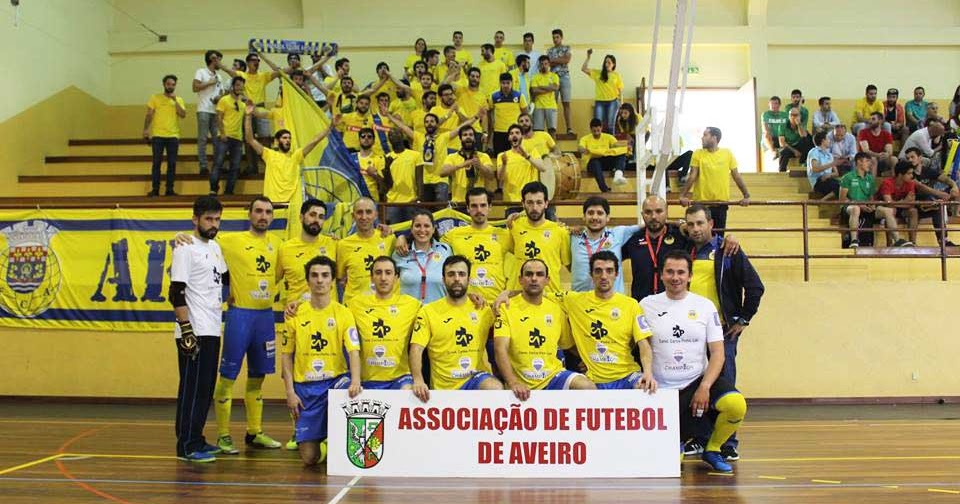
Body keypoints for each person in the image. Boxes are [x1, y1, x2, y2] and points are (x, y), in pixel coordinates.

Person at [641, 250, 747, 473]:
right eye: (670, 272)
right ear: (661, 274)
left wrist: (705, 386)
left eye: (681, 272)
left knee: (736, 405)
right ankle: (678, 441)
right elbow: (642, 346)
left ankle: (713, 449)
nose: (675, 277)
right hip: (662, 390)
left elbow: (718, 353)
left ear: (690, 275)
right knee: (672, 464)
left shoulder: (705, 306)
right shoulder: (646, 305)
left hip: (696, 382)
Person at [498, 251, 656, 391]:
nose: (603, 276)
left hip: (627, 375)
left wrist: (648, 373)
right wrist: (507, 293)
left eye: (609, 271)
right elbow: (535, 291)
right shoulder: (573, 300)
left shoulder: (631, 305)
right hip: (594, 379)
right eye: (598, 271)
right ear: (591, 274)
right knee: (585, 389)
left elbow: (644, 344)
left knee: (646, 388)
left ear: (617, 274)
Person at [681, 204, 763, 460]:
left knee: (724, 384)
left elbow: (755, 287)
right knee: (697, 385)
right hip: (691, 334)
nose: (695, 228)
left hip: (721, 333)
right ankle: (701, 438)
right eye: (690, 224)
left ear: (711, 224)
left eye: (700, 223)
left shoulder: (728, 250)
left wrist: (743, 318)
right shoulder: (684, 250)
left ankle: (728, 442)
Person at [208, 197, 283, 454]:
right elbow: (202, 243)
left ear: (272, 216)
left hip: (265, 318)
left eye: (268, 212)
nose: (263, 216)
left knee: (257, 377)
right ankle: (223, 435)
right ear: (249, 214)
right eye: (258, 211)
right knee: (228, 376)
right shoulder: (230, 241)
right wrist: (182, 237)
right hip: (240, 316)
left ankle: (254, 432)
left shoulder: (278, 244)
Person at [281, 256, 362, 466]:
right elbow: (286, 356)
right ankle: (324, 442)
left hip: (335, 382)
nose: (320, 280)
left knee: (349, 394)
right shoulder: (295, 314)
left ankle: (337, 441)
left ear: (332, 281)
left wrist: (355, 381)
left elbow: (353, 351)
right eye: (314, 275)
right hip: (306, 389)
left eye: (325, 275)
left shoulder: (343, 313)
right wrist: (290, 392)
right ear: (307, 280)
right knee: (310, 459)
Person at [169, 196, 227, 463]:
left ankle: (197, 437)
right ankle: (186, 445)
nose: (213, 224)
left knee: (205, 387)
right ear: (195, 219)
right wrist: (186, 329)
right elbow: (176, 292)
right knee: (192, 388)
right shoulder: (185, 248)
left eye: (217, 219)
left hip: (213, 327)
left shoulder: (215, 247)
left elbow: (224, 277)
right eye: (208, 219)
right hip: (194, 330)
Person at [494, 258, 596, 401]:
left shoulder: (556, 309)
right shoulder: (506, 308)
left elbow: (568, 344)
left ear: (547, 280)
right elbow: (500, 349)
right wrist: (513, 382)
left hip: (553, 376)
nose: (534, 278)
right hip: (522, 380)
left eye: (539, 274)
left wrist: (586, 360)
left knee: (586, 386)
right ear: (520, 280)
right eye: (529, 274)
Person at [410, 256, 503, 401]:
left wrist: (506, 294)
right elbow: (416, 349)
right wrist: (418, 380)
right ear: (443, 279)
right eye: (451, 274)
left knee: (494, 387)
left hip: (475, 379)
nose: (457, 279)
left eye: (461, 274)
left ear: (469, 279)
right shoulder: (428, 312)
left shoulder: (483, 309)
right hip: (443, 388)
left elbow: (524, 296)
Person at [622, 195, 741, 301]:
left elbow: (707, 237)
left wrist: (728, 238)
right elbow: (614, 252)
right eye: (648, 212)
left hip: (675, 305)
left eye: (659, 211)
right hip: (642, 305)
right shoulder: (632, 240)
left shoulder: (681, 235)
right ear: (642, 214)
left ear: (666, 212)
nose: (654, 216)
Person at [350, 256, 420, 390]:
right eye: (378, 273)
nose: (383, 278)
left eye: (388, 273)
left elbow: (437, 315)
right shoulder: (355, 304)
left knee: (407, 391)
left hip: (400, 377)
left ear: (396, 278)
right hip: (366, 379)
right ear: (371, 278)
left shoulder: (412, 305)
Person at [243, 104, 334, 203]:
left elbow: (314, 141)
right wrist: (248, 116)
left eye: (289, 138)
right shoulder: (269, 155)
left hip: (292, 204)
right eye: (285, 138)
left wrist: (330, 127)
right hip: (273, 203)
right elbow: (250, 139)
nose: (288, 140)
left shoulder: (296, 156)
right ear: (276, 141)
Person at [441, 188, 513, 303]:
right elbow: (431, 251)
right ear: (468, 208)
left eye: (483, 205)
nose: (479, 210)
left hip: (497, 302)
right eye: (474, 206)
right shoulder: (453, 235)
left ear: (490, 207)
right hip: (466, 303)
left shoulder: (504, 235)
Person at [679, 127, 751, 235]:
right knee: (699, 236)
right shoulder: (698, 153)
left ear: (714, 138)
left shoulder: (727, 153)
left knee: (718, 238)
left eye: (705, 135)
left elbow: (736, 176)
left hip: (720, 205)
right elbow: (692, 176)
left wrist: (746, 195)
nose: (702, 138)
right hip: (701, 205)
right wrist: (682, 195)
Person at [507, 182, 570, 293]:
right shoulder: (514, 226)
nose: (534, 207)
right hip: (519, 295)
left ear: (546, 203)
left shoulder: (560, 231)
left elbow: (570, 265)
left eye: (539, 202)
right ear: (523, 203)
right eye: (530, 202)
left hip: (549, 296)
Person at [571, 196, 639, 294]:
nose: (595, 217)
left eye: (600, 213)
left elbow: (647, 226)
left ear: (607, 217)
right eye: (590, 213)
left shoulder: (618, 234)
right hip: (581, 300)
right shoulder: (573, 237)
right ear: (584, 217)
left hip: (613, 300)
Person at [336, 198, 397, 306]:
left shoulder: (389, 239)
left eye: (368, 212)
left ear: (376, 215)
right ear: (353, 216)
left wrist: (401, 237)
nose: (364, 217)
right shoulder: (343, 245)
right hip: (353, 306)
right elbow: (341, 278)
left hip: (380, 305)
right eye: (359, 212)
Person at [278, 198, 338, 306]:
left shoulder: (334, 244)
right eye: (312, 215)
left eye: (321, 217)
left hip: (328, 313)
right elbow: (274, 279)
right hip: (297, 312)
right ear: (301, 218)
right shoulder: (285, 248)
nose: (316, 220)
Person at [392, 209, 453, 304]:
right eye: (417, 226)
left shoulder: (445, 250)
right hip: (409, 311)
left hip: (439, 311)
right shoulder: (400, 253)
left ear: (433, 229)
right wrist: (400, 237)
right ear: (411, 229)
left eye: (426, 226)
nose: (422, 230)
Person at [839, 152, 897, 248]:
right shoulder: (847, 177)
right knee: (856, 209)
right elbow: (842, 199)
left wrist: (872, 205)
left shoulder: (870, 178)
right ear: (859, 162)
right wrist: (859, 205)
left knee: (888, 211)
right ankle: (854, 240)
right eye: (867, 161)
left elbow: (871, 198)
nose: (870, 164)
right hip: (849, 207)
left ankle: (897, 240)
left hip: (866, 207)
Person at [235, 52, 280, 176]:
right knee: (248, 139)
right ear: (248, 63)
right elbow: (229, 71)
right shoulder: (242, 75)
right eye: (254, 60)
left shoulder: (263, 76)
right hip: (247, 109)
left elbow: (279, 71)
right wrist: (218, 63)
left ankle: (269, 166)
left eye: (258, 60)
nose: (257, 62)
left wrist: (263, 56)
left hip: (260, 108)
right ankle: (252, 167)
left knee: (265, 138)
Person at [143, 75, 186, 197]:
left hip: (173, 136)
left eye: (173, 84)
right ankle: (155, 189)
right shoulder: (155, 98)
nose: (170, 86)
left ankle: (169, 190)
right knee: (156, 163)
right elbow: (149, 114)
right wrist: (146, 129)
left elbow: (183, 114)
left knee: (172, 164)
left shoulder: (179, 99)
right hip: (158, 136)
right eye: (168, 84)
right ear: (164, 84)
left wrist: (175, 101)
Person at [907, 147, 959, 246]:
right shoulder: (908, 172)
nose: (910, 160)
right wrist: (940, 194)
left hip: (927, 204)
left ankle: (943, 241)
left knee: (937, 208)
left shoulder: (927, 170)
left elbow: (945, 179)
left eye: (912, 157)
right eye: (908, 158)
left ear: (920, 158)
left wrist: (954, 186)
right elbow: (920, 187)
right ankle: (912, 244)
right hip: (913, 204)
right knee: (931, 203)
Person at [211, 76, 247, 195]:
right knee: (218, 163)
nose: (239, 88)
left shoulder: (243, 104)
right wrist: (222, 133)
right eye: (237, 85)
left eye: (242, 86)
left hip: (238, 139)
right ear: (232, 86)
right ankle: (213, 189)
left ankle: (229, 191)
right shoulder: (224, 100)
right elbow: (218, 118)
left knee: (235, 166)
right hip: (224, 137)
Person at [440, 127, 496, 201]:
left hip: (478, 201)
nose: (468, 137)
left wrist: (480, 166)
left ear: (475, 139)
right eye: (465, 135)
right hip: (458, 201)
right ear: (460, 139)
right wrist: (462, 165)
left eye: (471, 135)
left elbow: (491, 176)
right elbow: (442, 173)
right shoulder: (452, 157)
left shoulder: (483, 156)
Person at [194, 51, 225, 177]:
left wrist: (219, 97)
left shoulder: (219, 76)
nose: (220, 63)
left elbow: (221, 92)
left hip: (215, 111)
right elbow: (195, 87)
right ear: (212, 59)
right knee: (202, 138)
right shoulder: (201, 72)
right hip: (203, 110)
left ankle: (217, 166)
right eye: (218, 60)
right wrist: (209, 83)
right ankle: (203, 166)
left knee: (217, 140)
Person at [499, 124, 546, 205]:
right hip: (511, 201)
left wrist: (527, 156)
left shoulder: (532, 152)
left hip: (531, 201)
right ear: (509, 138)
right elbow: (500, 178)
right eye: (511, 133)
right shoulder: (502, 155)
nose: (514, 135)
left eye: (517, 133)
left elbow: (542, 168)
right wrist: (504, 164)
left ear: (522, 136)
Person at [877, 162, 922, 246]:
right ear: (900, 175)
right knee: (891, 210)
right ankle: (890, 244)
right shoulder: (887, 183)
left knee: (913, 211)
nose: (912, 176)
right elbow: (888, 203)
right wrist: (904, 201)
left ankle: (913, 243)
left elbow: (911, 204)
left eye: (912, 173)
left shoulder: (910, 183)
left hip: (900, 208)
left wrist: (902, 203)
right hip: (883, 209)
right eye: (909, 173)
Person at [579, 118, 629, 192]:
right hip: (592, 164)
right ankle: (604, 189)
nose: (596, 133)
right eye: (594, 131)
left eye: (598, 130)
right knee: (595, 162)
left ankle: (618, 175)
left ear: (601, 128)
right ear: (591, 129)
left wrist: (626, 146)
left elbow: (616, 145)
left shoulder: (608, 137)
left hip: (605, 161)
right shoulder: (585, 139)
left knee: (621, 154)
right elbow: (580, 147)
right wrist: (583, 150)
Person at [581, 49, 622, 133]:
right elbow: (583, 69)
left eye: (609, 63)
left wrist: (621, 103)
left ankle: (610, 141)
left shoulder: (616, 75)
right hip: (600, 102)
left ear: (613, 64)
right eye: (605, 62)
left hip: (613, 102)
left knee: (610, 125)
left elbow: (620, 89)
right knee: (597, 125)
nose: (606, 64)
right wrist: (588, 57)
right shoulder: (598, 73)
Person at [489, 72, 528, 154]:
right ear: (500, 83)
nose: (506, 85)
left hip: (514, 132)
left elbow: (525, 114)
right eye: (503, 83)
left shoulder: (519, 96)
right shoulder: (494, 96)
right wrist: (492, 123)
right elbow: (489, 112)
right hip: (499, 131)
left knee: (516, 155)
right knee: (499, 156)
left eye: (508, 83)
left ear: (512, 83)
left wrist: (523, 130)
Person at [547, 28, 574, 135]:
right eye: (553, 37)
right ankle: (552, 129)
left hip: (564, 77)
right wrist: (560, 60)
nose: (555, 39)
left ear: (561, 38)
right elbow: (548, 63)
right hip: (553, 78)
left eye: (557, 37)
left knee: (566, 103)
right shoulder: (549, 50)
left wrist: (554, 60)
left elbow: (567, 60)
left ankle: (569, 128)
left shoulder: (567, 48)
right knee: (552, 104)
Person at [777, 106, 814, 173]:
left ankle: (804, 163)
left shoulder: (802, 124)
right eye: (791, 115)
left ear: (800, 116)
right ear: (789, 116)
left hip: (799, 146)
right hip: (789, 147)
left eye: (796, 115)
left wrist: (798, 124)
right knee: (784, 152)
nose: (793, 117)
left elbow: (803, 136)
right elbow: (782, 143)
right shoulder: (782, 126)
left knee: (807, 140)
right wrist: (794, 151)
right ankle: (782, 172)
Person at [530, 55, 560, 135]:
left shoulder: (554, 76)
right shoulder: (535, 77)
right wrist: (549, 88)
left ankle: (553, 144)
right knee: (538, 132)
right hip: (538, 106)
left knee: (552, 131)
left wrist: (540, 87)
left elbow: (556, 88)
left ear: (549, 64)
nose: (544, 66)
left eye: (546, 64)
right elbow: (534, 90)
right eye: (542, 64)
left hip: (551, 106)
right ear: (539, 65)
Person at [807, 131, 842, 199]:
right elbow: (815, 169)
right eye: (828, 139)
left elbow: (836, 173)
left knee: (845, 185)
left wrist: (829, 175)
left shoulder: (829, 155)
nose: (829, 141)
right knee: (839, 186)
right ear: (823, 141)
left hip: (829, 179)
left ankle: (823, 200)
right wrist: (831, 164)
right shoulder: (814, 152)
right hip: (818, 181)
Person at [356, 127, 386, 201]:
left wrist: (375, 175)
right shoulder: (351, 158)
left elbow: (384, 185)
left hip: (372, 200)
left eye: (369, 136)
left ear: (374, 141)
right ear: (359, 140)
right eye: (363, 136)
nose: (366, 138)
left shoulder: (379, 159)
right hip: (355, 198)